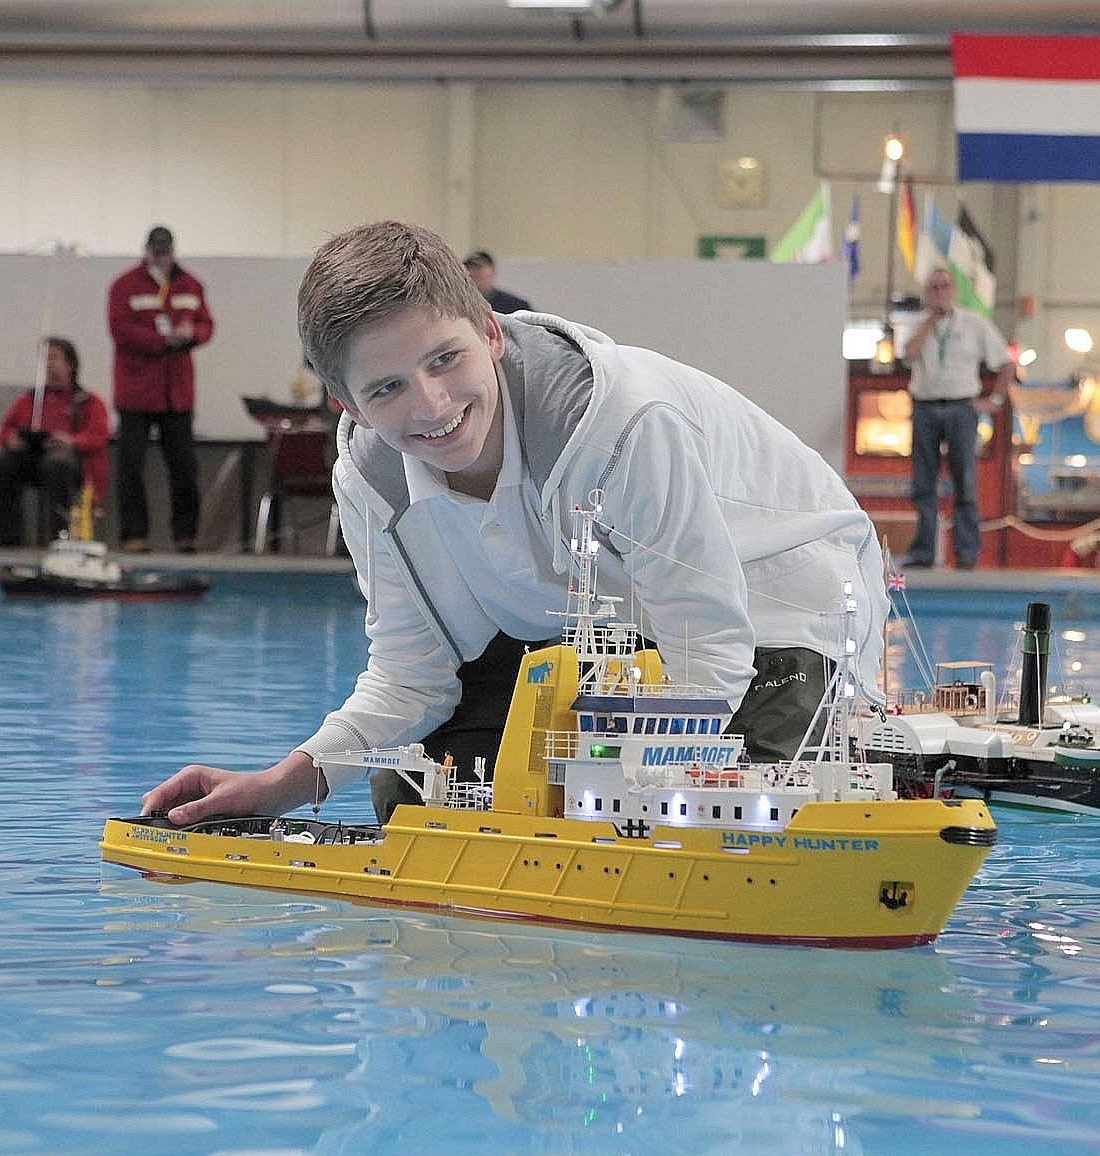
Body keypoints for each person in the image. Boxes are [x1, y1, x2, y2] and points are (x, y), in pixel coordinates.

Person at [144, 220, 887, 827]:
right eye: (388, 387)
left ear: (492, 333)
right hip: (606, 632)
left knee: (748, 817)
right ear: (347, 404)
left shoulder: (622, 423)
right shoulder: (370, 479)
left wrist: (624, 800)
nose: (432, 404)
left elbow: (709, 646)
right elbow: (411, 675)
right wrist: (285, 783)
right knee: (414, 795)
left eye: (445, 358)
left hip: (776, 617)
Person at [108, 225, 214, 553]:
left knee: (184, 466)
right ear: (145, 251)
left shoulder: (191, 284)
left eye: (166, 251)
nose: (161, 257)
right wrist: (162, 341)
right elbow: (121, 330)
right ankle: (133, 535)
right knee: (131, 467)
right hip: (137, 392)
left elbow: (206, 324)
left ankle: (186, 535)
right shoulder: (124, 286)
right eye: (156, 251)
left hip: (177, 393)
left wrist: (191, 334)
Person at [899, 267, 1013, 571]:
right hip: (925, 408)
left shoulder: (974, 324)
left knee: (965, 482)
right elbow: (907, 355)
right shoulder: (916, 325)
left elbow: (1005, 363)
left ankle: (966, 553)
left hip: (962, 409)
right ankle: (924, 551)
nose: (940, 292)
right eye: (933, 287)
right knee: (924, 483)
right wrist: (929, 322)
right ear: (926, 293)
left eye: (945, 286)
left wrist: (994, 400)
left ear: (955, 291)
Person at [0, 337, 110, 546]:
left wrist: (70, 441)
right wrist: (12, 440)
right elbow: (5, 430)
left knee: (57, 465)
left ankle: (59, 537)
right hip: (31, 457)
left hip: (69, 463)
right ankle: (6, 537)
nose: (48, 364)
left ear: (70, 364)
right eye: (44, 359)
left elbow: (98, 435)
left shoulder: (89, 402)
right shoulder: (29, 400)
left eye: (53, 358)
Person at [462, 250, 533, 314]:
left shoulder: (516, 306)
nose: (471, 272)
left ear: (492, 271)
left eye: (478, 267)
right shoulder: (459, 304)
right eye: (468, 267)